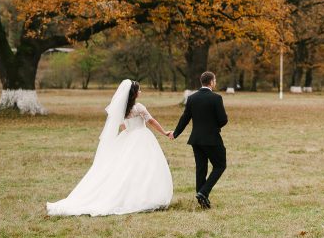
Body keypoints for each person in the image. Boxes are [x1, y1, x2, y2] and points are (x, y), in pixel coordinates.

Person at [47, 80, 174, 216]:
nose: (141, 92)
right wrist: (165, 132)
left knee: (127, 168)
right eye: (139, 90)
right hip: (141, 136)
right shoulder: (139, 108)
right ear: (134, 93)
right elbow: (151, 121)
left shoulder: (122, 109)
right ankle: (145, 197)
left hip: (128, 137)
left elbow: (122, 125)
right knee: (144, 168)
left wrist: (128, 133)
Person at [172, 71, 228, 209]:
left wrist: (175, 133)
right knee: (220, 165)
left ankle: (202, 199)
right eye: (214, 80)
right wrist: (215, 125)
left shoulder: (192, 98)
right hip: (212, 139)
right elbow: (223, 120)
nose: (215, 83)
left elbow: (185, 118)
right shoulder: (216, 98)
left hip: (196, 139)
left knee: (201, 169)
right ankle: (203, 192)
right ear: (211, 82)